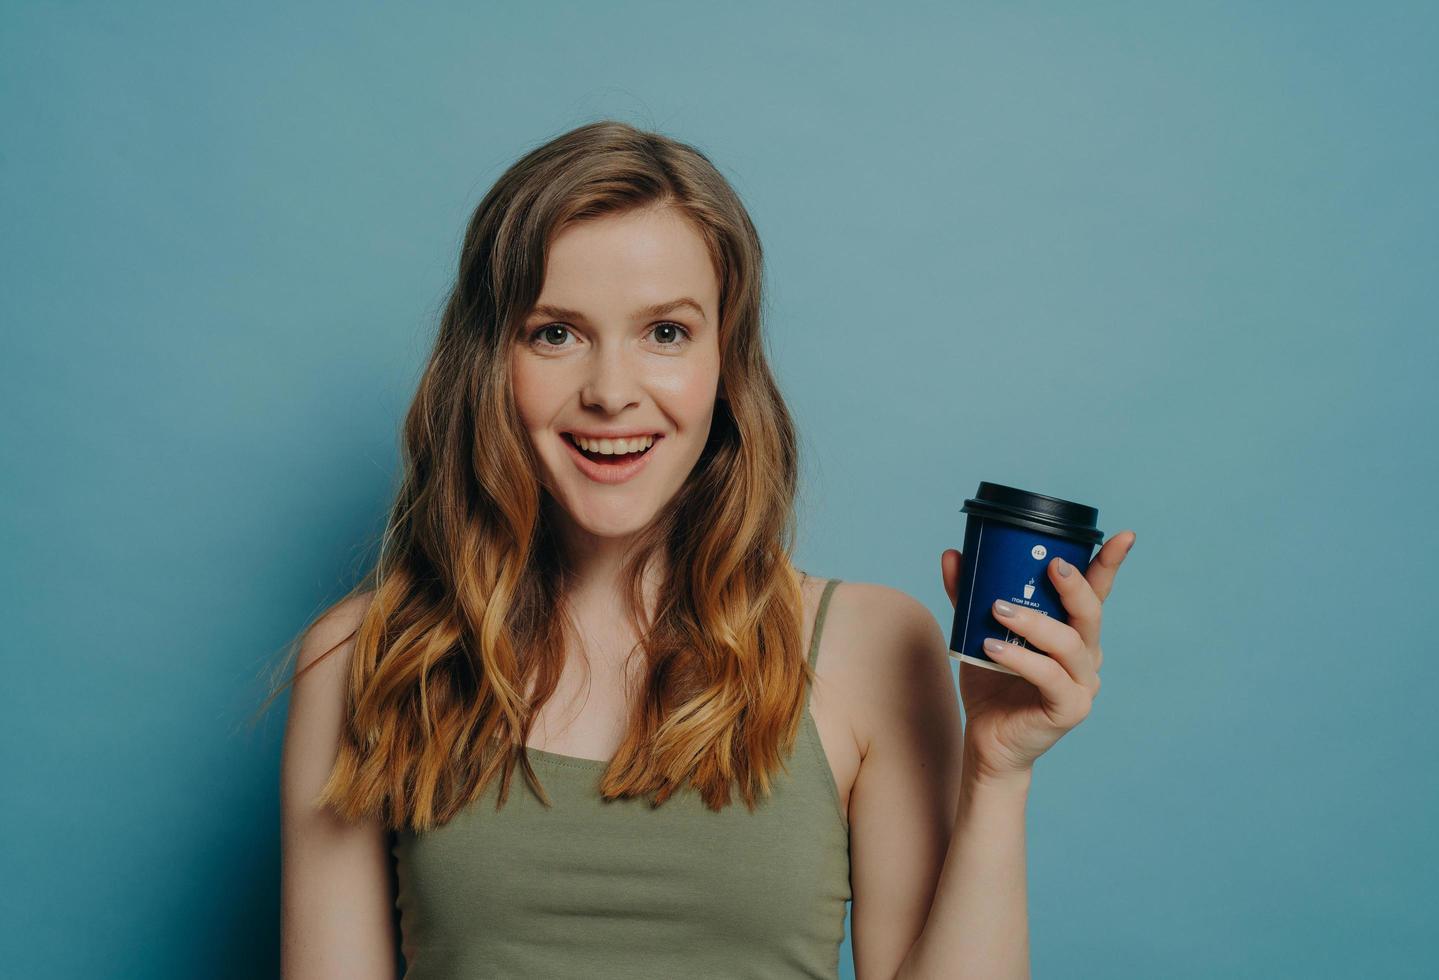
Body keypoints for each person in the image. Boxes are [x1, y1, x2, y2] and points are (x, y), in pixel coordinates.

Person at [269, 119, 1135, 979]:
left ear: (727, 362)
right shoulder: (362, 661)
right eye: (555, 332)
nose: (612, 392)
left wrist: (998, 775)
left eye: (667, 333)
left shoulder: (873, 648)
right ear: (488, 363)